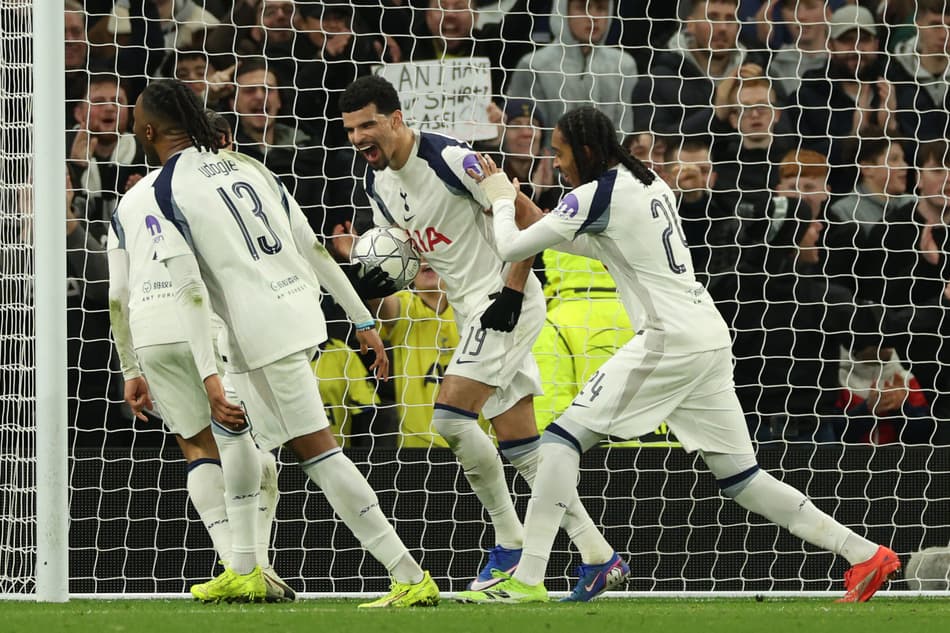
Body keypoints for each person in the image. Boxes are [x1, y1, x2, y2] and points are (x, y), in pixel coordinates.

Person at [455, 105, 900, 603]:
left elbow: (513, 248)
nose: (554, 163)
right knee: (743, 479)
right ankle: (865, 554)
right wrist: (517, 201)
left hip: (668, 339)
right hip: (705, 334)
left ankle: (529, 578)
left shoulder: (597, 194)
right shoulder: (644, 182)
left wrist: (497, 199)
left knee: (559, 442)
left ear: (582, 151)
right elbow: (581, 239)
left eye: (558, 153)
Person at [128, 78, 438, 607]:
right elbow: (313, 247)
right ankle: (245, 567)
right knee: (242, 443)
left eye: (136, 118)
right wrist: (361, 318)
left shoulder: (164, 189)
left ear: (149, 129)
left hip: (257, 329)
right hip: (294, 311)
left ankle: (410, 576)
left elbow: (191, 293)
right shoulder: (248, 165)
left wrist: (207, 378)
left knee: (315, 448)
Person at [338, 75, 626, 600]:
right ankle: (598, 554)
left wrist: (513, 290)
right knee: (522, 447)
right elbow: (411, 253)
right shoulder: (376, 185)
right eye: (351, 130)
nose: (359, 139)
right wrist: (371, 271)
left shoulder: (448, 158)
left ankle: (511, 546)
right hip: (471, 310)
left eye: (368, 125)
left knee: (448, 417)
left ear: (397, 119)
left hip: (503, 300)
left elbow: (515, 209)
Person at [107, 111, 293, 601]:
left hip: (149, 331)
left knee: (196, 444)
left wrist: (129, 367)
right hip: (206, 320)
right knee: (252, 447)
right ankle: (253, 568)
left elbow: (116, 294)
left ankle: (239, 567)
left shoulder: (128, 198)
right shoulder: (218, 182)